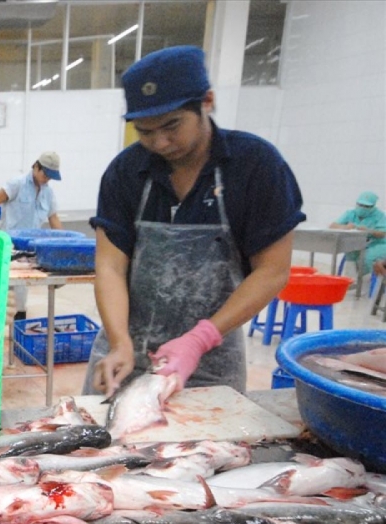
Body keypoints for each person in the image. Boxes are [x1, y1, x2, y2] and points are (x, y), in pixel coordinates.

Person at [83, 46, 305, 397]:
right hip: (124, 358)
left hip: (209, 365)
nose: (159, 142)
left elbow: (272, 271)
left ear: (207, 101)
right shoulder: (125, 172)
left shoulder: (256, 166)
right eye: (144, 131)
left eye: (172, 126)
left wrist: (199, 339)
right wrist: (119, 342)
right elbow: (110, 266)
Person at [0, 151, 64, 320]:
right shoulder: (16, 184)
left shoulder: (48, 193)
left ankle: (17, 335)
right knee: (1, 291)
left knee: (20, 295)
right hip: (8, 247)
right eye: (45, 174)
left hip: (28, 251)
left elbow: (53, 218)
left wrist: (64, 244)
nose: (47, 179)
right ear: (36, 167)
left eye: (50, 177)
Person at [329, 191, 386, 274]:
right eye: (360, 205)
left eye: (366, 206)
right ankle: (352, 281)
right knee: (350, 255)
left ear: (373, 207)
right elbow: (333, 226)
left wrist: (368, 231)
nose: (362, 208)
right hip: (356, 243)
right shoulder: (350, 213)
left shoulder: (379, 215)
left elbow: (382, 234)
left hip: (375, 244)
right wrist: (345, 227)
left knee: (367, 259)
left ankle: (366, 282)